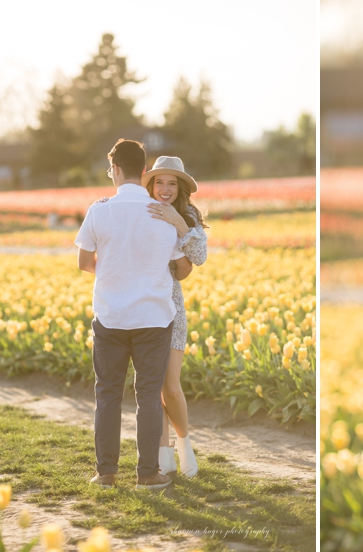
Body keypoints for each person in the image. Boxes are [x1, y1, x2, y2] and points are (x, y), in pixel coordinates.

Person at [75, 139, 190, 491]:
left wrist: (116, 273)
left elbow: (83, 263)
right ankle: (148, 474)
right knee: (147, 394)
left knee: (107, 394)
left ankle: (106, 474)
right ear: (143, 172)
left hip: (110, 316)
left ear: (115, 170)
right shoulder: (161, 212)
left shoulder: (99, 210)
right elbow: (183, 268)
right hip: (153, 318)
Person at [143, 156, 208, 478]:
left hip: (171, 307)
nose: (165, 189)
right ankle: (162, 453)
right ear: (151, 185)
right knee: (152, 387)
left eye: (172, 183)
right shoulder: (140, 210)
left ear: (180, 188)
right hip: (141, 306)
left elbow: (198, 259)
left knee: (170, 386)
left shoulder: (187, 215)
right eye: (159, 182)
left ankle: (185, 445)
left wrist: (178, 222)